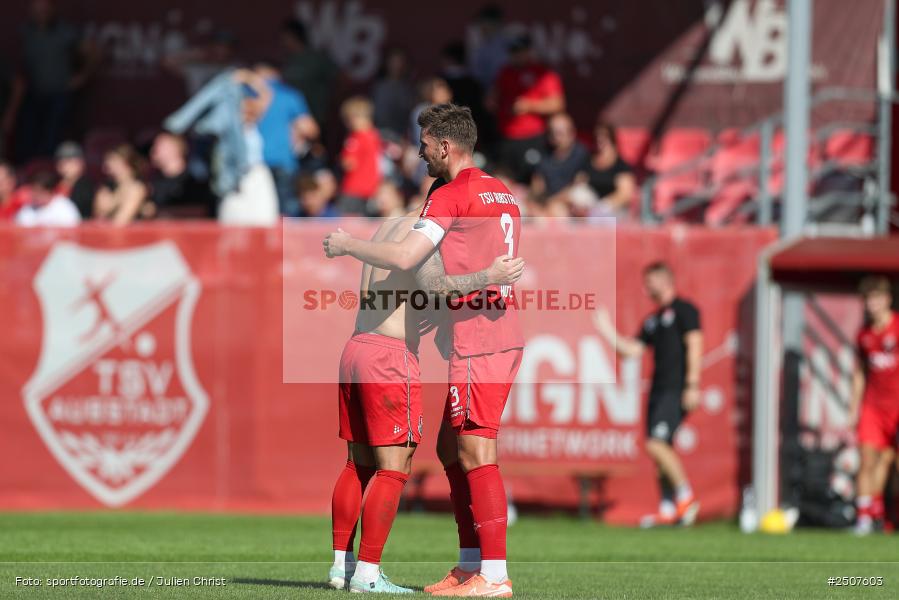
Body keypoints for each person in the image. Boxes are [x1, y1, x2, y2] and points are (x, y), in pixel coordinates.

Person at [324, 103, 524, 597]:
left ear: (444, 147)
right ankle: (466, 563)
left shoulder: (439, 203)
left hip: (388, 345)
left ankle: (490, 575)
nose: (419, 153)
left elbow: (418, 267)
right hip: (422, 347)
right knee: (438, 451)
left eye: (425, 145)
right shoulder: (503, 193)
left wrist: (347, 242)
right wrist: (485, 280)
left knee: (467, 448)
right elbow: (434, 286)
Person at [593, 262, 703, 528]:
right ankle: (668, 509)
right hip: (657, 391)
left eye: (650, 281)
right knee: (660, 453)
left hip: (675, 389)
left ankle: (686, 498)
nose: (646, 288)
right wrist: (606, 329)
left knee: (656, 444)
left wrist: (692, 384)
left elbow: (695, 344)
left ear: (665, 280)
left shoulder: (684, 310)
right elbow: (631, 351)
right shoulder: (653, 320)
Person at [12, 0, 98, 161]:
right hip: (34, 94)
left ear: (52, 10)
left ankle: (47, 173)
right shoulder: (26, 32)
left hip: (59, 94)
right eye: (37, 10)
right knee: (27, 138)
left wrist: (81, 77)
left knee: (52, 138)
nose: (41, 14)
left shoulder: (66, 32)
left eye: (44, 10)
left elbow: (92, 52)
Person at [850, 276, 899, 535]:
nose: (873, 305)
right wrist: (852, 407)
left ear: (888, 300)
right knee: (866, 460)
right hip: (873, 407)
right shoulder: (864, 335)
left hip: (897, 407)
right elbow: (859, 373)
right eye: (868, 300)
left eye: (877, 299)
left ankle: (879, 511)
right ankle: (864, 518)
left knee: (889, 462)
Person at [491, 34, 565, 184]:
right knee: (504, 179)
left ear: (528, 51)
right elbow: (493, 97)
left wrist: (529, 105)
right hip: (507, 137)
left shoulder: (542, 73)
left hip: (533, 137)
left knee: (533, 178)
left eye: (520, 51)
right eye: (513, 52)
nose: (516, 56)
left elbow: (558, 104)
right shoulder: (505, 72)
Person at [254, 60, 319, 217]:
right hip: (283, 161)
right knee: (286, 211)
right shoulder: (289, 95)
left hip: (255, 164)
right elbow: (310, 129)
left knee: (259, 212)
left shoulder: (248, 95)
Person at [218, 69, 279, 226]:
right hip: (236, 175)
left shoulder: (252, 126)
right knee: (235, 219)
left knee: (263, 218)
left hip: (256, 174)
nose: (248, 111)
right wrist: (231, 82)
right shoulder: (229, 126)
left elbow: (267, 95)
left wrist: (249, 78)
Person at [280, 19, 338, 134]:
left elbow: (340, 79)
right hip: (292, 120)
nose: (283, 42)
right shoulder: (288, 60)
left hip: (315, 117)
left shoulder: (316, 58)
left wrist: (329, 107)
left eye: (285, 37)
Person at [149, 132, 213, 218]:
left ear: (176, 148)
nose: (154, 150)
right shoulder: (154, 182)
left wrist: (159, 212)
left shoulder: (193, 180)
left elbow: (200, 210)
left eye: (160, 146)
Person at [581, 122, 636, 218]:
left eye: (604, 136)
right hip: (590, 206)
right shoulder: (587, 161)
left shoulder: (621, 165)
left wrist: (603, 207)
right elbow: (580, 184)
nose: (600, 139)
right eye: (597, 136)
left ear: (612, 140)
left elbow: (625, 194)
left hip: (613, 209)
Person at [337, 97, 382, 216]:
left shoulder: (355, 138)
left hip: (353, 189)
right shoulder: (374, 135)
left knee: (347, 223)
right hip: (371, 188)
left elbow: (349, 164)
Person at [531, 113, 589, 200]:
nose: (556, 138)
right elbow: (537, 185)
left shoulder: (581, 154)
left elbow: (579, 184)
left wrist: (553, 202)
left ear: (572, 133)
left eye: (560, 133)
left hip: (570, 204)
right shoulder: (544, 153)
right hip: (546, 203)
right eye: (552, 133)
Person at [93, 144, 150, 226]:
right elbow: (98, 219)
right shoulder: (108, 187)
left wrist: (113, 203)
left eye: (113, 161)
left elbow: (121, 221)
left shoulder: (136, 188)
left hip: (127, 236)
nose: (107, 166)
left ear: (126, 163)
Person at [372, 48, 416, 141]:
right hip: (384, 134)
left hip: (403, 135)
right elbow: (379, 115)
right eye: (393, 61)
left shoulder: (407, 87)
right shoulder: (381, 86)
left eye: (399, 61)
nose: (396, 65)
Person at [16, 169, 80, 227]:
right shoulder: (27, 210)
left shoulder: (65, 207)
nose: (35, 195)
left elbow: (72, 232)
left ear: (50, 191)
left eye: (39, 191)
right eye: (33, 191)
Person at [55, 141, 94, 219]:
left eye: (69, 161)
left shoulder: (86, 186)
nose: (64, 166)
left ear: (81, 163)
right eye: (61, 161)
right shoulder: (56, 185)